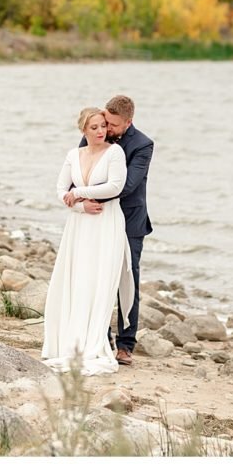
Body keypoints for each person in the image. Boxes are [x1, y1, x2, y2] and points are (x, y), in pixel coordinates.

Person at [41, 107, 135, 376]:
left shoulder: (114, 153)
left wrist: (79, 192)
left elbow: (115, 187)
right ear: (83, 129)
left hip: (106, 222)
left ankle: (95, 342)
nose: (100, 131)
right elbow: (61, 190)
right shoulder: (74, 154)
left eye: (103, 126)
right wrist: (80, 207)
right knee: (77, 278)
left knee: (99, 280)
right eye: (94, 127)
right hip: (80, 223)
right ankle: (70, 341)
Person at [74, 95, 153, 366]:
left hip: (130, 220)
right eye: (105, 122)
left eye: (113, 125)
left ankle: (126, 345)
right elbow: (80, 172)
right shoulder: (95, 134)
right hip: (98, 219)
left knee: (127, 280)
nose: (106, 130)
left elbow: (127, 186)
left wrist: (85, 197)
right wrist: (81, 204)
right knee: (98, 278)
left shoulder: (142, 145)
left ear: (129, 122)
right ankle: (101, 338)